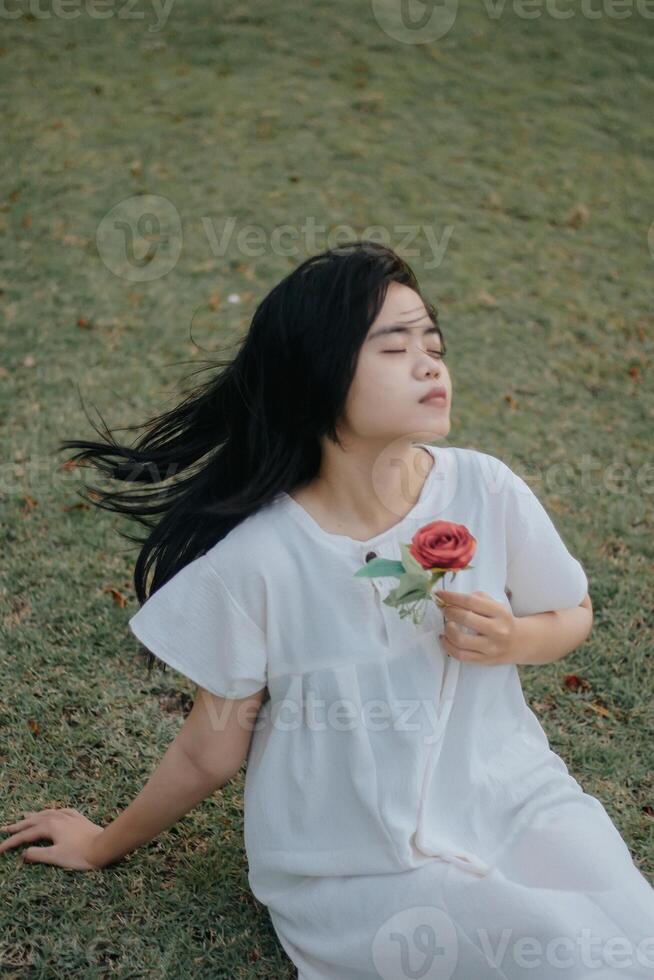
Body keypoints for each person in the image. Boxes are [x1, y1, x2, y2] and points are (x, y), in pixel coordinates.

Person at [1, 241, 652, 979]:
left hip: (512, 794)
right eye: (395, 345)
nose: (430, 362)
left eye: (433, 344)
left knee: (636, 930)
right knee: (566, 951)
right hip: (358, 861)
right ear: (318, 372)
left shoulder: (486, 488)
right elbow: (208, 750)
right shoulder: (262, 559)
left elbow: (574, 613)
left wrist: (515, 638)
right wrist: (100, 842)